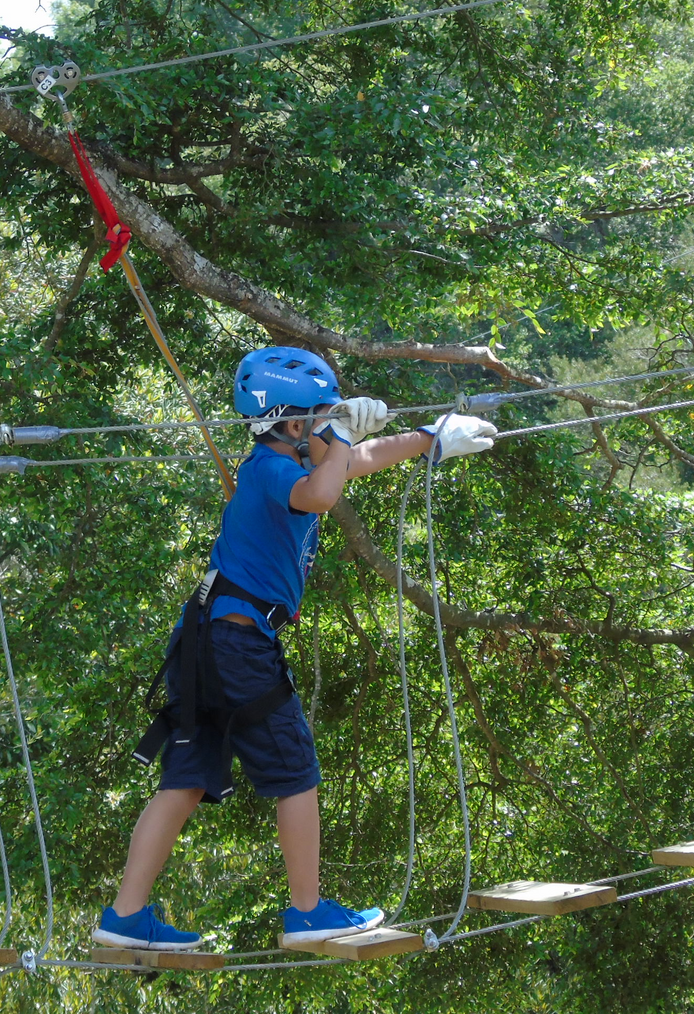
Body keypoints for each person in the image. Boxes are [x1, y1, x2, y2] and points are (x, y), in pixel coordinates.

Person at [92, 346, 497, 951]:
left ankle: (125, 917)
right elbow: (323, 495)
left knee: (186, 778)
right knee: (296, 769)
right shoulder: (269, 470)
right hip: (236, 645)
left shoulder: (292, 460)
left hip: (209, 642)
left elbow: (351, 464)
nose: (325, 428)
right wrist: (335, 434)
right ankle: (308, 912)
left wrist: (427, 437)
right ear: (289, 425)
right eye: (315, 418)